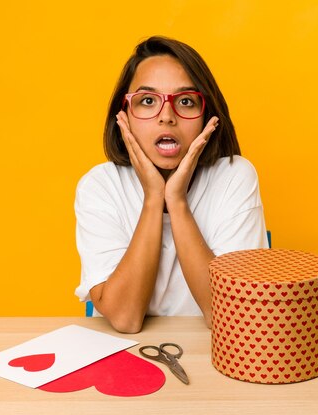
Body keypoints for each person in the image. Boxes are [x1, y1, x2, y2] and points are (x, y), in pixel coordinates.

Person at [74, 36, 268, 333]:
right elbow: (125, 319)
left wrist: (176, 201)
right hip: (123, 361)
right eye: (148, 101)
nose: (166, 117)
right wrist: (154, 197)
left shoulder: (234, 176)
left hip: (211, 357)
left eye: (186, 101)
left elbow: (232, 318)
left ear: (208, 117)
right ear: (123, 115)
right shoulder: (99, 186)